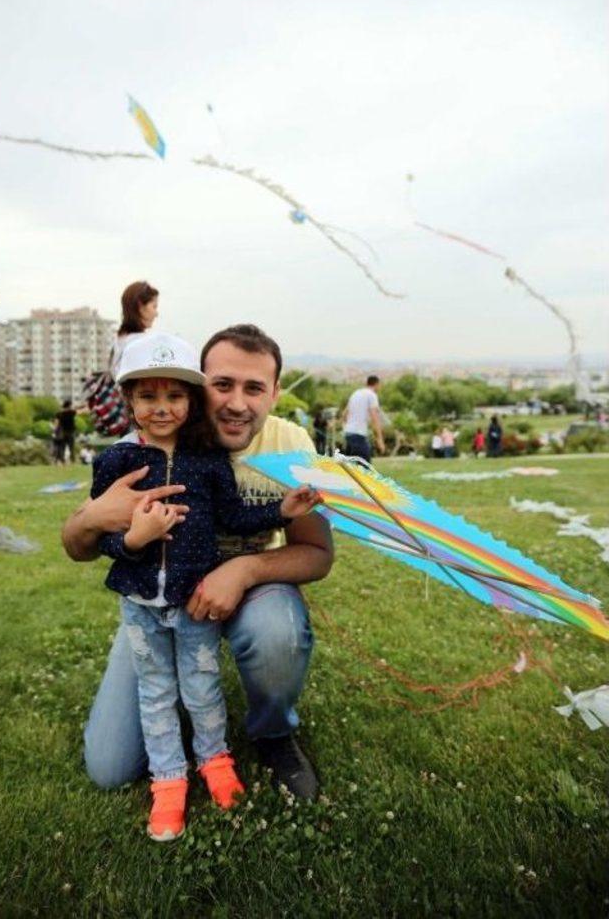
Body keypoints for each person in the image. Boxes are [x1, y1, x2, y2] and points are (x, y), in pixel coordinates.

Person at [62, 324, 334, 801]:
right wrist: (95, 519)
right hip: (161, 599)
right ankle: (178, 700)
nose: (236, 403)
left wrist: (243, 569)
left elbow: (317, 555)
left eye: (254, 388)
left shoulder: (289, 444)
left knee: (277, 630)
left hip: (250, 591)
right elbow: (76, 545)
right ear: (197, 383)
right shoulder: (142, 446)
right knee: (110, 765)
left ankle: (273, 735)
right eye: (222, 384)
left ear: (273, 393)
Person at [110, 281, 160, 379]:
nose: (156, 313)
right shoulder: (142, 342)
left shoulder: (118, 341)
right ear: (140, 306)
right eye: (154, 306)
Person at [342, 375, 385, 462]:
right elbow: (375, 418)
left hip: (348, 434)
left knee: (351, 468)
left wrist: (348, 426)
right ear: (376, 384)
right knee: (365, 467)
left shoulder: (356, 393)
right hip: (358, 435)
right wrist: (380, 439)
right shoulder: (372, 395)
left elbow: (344, 414)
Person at [56, 399, 77, 464]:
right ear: (69, 405)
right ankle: (72, 460)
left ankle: (62, 460)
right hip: (70, 431)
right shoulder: (72, 412)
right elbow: (74, 411)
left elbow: (57, 418)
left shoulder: (60, 413)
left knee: (63, 447)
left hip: (63, 432)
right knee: (71, 447)